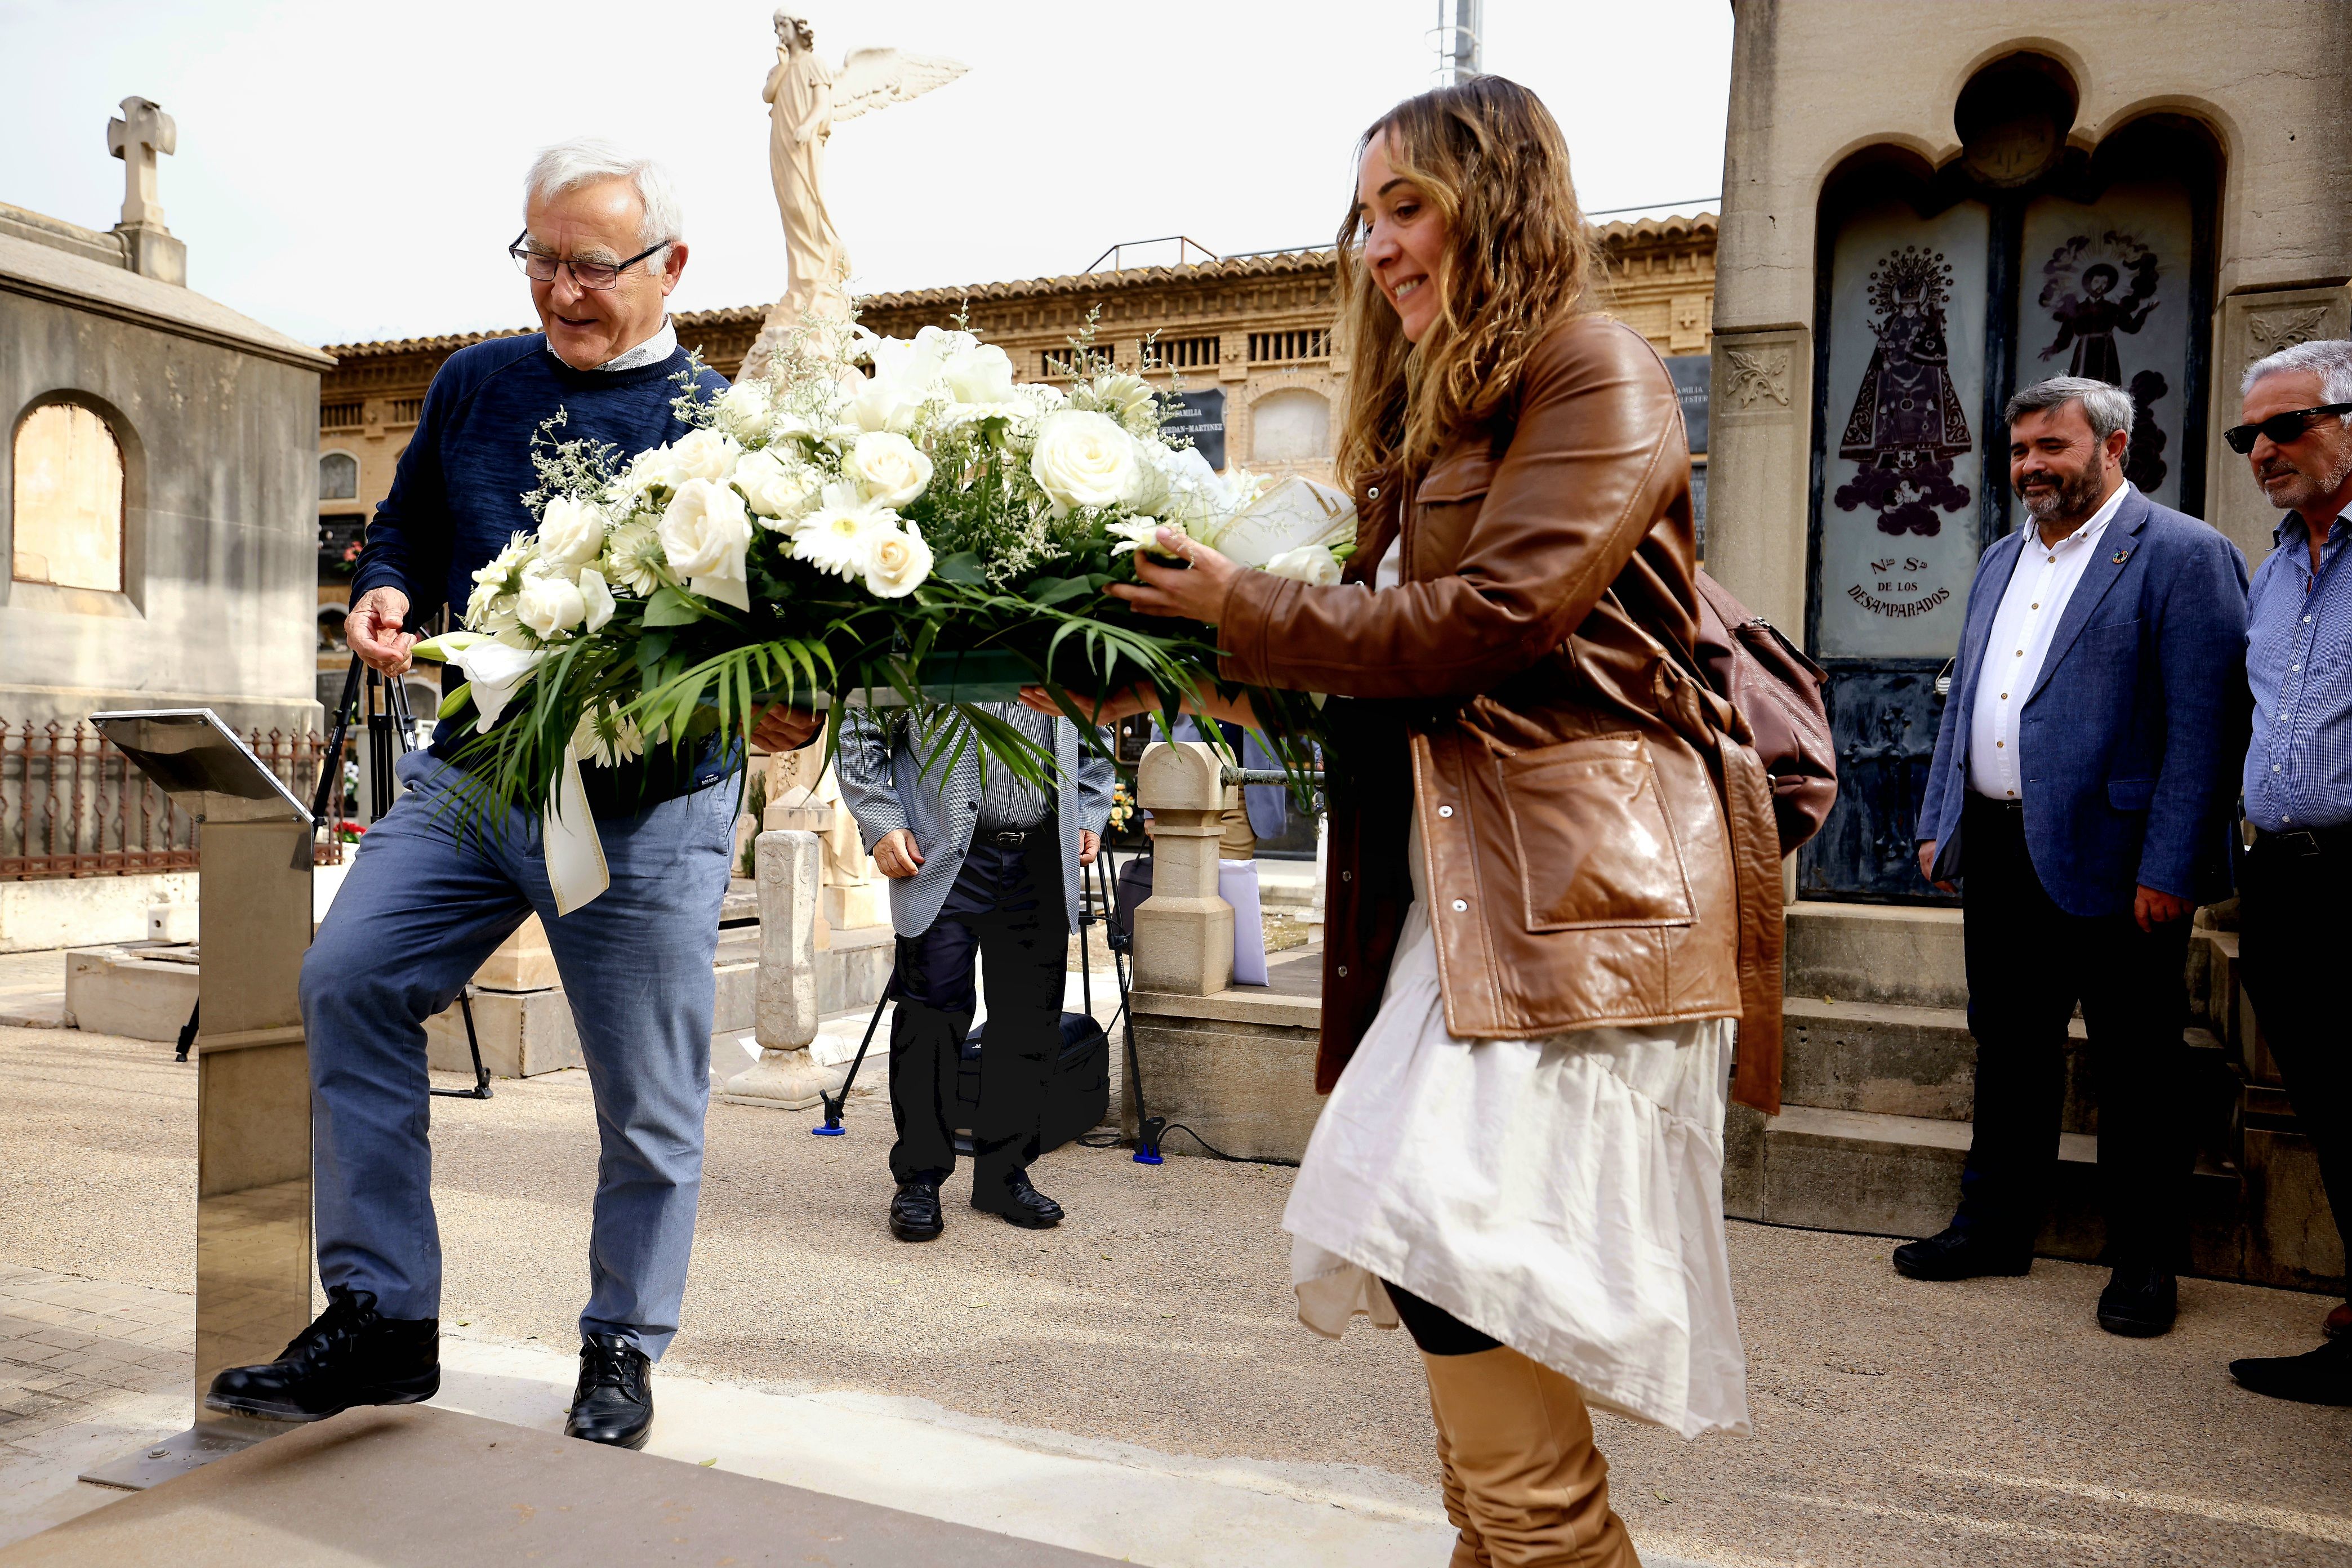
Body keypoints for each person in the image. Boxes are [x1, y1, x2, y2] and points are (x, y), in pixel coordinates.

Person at [1034, 75, 1779, 1567]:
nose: (1379, 245)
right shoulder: (1443, 416)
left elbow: (1495, 621)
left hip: (1579, 905)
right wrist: (1184, 679)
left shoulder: (1598, 374)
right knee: (1449, 1266)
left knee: (1452, 1263)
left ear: (1498, 199)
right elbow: (1391, 674)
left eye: (1410, 206)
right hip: (1478, 899)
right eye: (1366, 215)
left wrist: (1244, 607)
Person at [203, 140, 817, 1451]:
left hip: (648, 803)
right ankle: (382, 1317)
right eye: (538, 259)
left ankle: (620, 1341)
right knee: (348, 979)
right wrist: (380, 586)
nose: (560, 291)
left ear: (669, 271)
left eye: (590, 266)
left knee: (647, 1095)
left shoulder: (731, 430)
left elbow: (797, 633)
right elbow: (408, 526)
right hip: (479, 772)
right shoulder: (475, 382)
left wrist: (790, 701)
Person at [1900, 377, 2248, 1339]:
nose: (2030, 468)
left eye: (2050, 447)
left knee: (2138, 1064)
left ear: (2114, 446)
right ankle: (1993, 1226)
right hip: (2002, 847)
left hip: (2122, 855)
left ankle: (2144, 1260)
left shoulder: (2183, 555)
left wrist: (2172, 865)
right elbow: (1966, 692)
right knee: (2008, 1044)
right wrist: (1942, 816)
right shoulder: (2001, 558)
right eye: (2018, 452)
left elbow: (2205, 728)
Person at [836, 705, 1112, 1242]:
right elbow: (859, 725)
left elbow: (1097, 728)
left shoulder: (1060, 630)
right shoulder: (926, 630)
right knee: (932, 1015)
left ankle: (1004, 1174)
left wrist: (1090, 811)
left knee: (1030, 1023)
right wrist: (882, 820)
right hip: (945, 855)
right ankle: (919, 1179)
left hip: (1041, 854)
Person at [2224, 338, 2352, 1404]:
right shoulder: (2270, 570)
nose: (2264, 448)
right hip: (2285, 884)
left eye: (2289, 424)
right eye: (2249, 434)